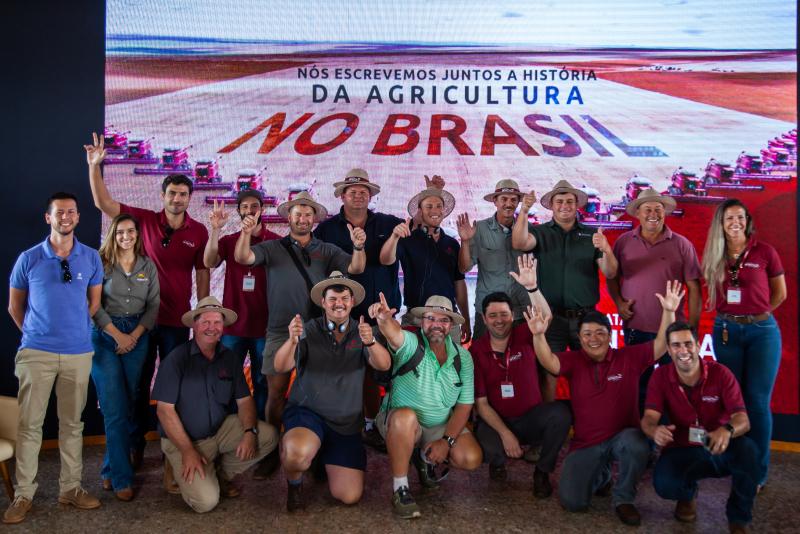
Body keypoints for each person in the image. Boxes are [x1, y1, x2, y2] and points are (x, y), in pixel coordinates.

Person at [85, 133, 210, 472]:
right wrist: (94, 167)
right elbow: (104, 205)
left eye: (183, 194)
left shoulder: (199, 231)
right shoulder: (143, 220)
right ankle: (134, 447)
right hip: (138, 321)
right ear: (163, 195)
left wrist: (200, 310)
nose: (178, 199)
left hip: (174, 321)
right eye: (172, 193)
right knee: (137, 388)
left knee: (171, 389)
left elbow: (201, 271)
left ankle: (171, 449)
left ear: (189, 198)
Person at [527, 281, 684, 526]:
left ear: (610, 335)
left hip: (623, 438)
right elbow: (548, 361)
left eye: (600, 333)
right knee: (573, 503)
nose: (594, 339)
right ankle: (602, 476)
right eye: (587, 334)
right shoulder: (574, 360)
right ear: (579, 338)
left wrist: (669, 311)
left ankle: (624, 500)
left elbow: (661, 346)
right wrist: (538, 335)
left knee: (637, 443)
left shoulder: (628, 357)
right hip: (586, 444)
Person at [4, 192, 104, 524]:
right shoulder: (29, 258)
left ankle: (70, 489)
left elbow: (93, 305)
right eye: (59, 212)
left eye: (71, 212)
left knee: (73, 425)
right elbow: (14, 307)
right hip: (36, 353)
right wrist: (36, 335)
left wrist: (74, 331)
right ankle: (23, 494)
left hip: (78, 353)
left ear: (78, 217)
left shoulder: (90, 258)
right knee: (30, 426)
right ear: (48, 217)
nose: (66, 216)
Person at [234, 191, 365, 429]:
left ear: (314, 219)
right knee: (275, 394)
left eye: (307, 214)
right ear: (289, 218)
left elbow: (356, 268)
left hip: (317, 332)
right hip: (280, 331)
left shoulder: (327, 250)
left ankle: (315, 441)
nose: (303, 218)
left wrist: (358, 246)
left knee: (318, 393)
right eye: (298, 214)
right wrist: (245, 233)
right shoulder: (272, 247)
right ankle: (273, 443)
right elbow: (243, 257)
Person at [274, 272, 391, 511]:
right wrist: (292, 341)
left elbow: (383, 364)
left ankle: (321, 457)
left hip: (345, 423)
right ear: (323, 302)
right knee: (296, 453)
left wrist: (370, 343)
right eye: (333, 298)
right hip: (308, 413)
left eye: (345, 298)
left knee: (349, 495)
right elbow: (280, 365)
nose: (339, 303)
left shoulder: (363, 330)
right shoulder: (309, 328)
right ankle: (295, 483)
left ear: (352, 301)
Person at [151, 297, 279, 513]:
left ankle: (219, 473)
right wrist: (188, 451)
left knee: (268, 436)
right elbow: (164, 411)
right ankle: (176, 465)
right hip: (184, 441)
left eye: (217, 323)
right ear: (194, 325)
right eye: (206, 322)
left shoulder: (229, 358)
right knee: (206, 503)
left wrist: (249, 431)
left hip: (219, 432)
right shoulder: (176, 360)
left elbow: (245, 400)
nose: (212, 328)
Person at [372, 293, 482, 519]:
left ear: (451, 325)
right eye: (431, 318)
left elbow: (464, 405)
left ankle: (423, 459)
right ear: (422, 322)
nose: (437, 325)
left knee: (470, 457)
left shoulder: (463, 357)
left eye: (443, 320)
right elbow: (394, 334)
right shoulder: (412, 344)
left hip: (438, 426)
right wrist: (384, 320)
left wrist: (446, 441)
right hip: (400, 423)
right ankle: (400, 488)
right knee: (405, 418)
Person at [701, 199, 786, 489]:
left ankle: (756, 473)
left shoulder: (765, 252)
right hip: (726, 332)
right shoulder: (715, 254)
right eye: (728, 219)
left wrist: (756, 315)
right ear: (721, 225)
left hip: (762, 332)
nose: (735, 222)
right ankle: (733, 463)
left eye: (740, 217)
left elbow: (780, 294)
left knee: (758, 403)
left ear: (747, 220)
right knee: (731, 403)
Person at [642, 321, 757, 534]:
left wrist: (727, 430)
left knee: (749, 451)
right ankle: (687, 495)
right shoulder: (660, 376)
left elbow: (743, 419)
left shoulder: (721, 373)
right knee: (664, 484)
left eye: (688, 344)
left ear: (698, 346)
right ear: (668, 349)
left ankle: (738, 518)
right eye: (676, 345)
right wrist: (653, 430)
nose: (683, 350)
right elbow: (648, 418)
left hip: (717, 444)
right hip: (682, 446)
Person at [470, 254, 571, 496]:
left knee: (561, 414)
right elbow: (481, 405)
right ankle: (497, 463)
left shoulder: (524, 334)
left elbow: (545, 317)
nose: (498, 320)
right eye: (492, 316)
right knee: (488, 446)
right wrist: (505, 434)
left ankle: (542, 472)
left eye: (504, 314)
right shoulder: (476, 351)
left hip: (529, 418)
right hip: (496, 422)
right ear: (484, 319)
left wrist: (532, 288)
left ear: (512, 315)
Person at [607, 188, 702, 408]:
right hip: (635, 328)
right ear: (637, 213)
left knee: (676, 385)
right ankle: (640, 434)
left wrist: (693, 326)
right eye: (647, 209)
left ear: (665, 213)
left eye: (658, 209)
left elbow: (694, 288)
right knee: (638, 384)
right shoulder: (623, 242)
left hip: (673, 330)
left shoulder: (681, 244)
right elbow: (612, 276)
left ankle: (675, 434)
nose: (653, 214)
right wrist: (619, 303)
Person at [91, 214, 160, 501]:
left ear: (137, 234)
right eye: (120, 232)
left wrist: (134, 335)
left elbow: (154, 305)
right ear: (113, 234)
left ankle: (109, 467)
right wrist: (117, 335)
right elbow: (93, 305)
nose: (126, 237)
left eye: (130, 231)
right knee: (114, 407)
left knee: (129, 401)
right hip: (105, 336)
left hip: (138, 336)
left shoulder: (148, 266)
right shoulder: (100, 263)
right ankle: (121, 478)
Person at [511, 180, 617, 352]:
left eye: (569, 201)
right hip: (550, 318)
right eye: (559, 202)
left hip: (587, 319)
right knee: (549, 371)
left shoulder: (592, 235)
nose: (564, 206)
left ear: (576, 205)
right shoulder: (540, 232)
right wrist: (524, 210)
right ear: (552, 206)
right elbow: (518, 242)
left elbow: (610, 272)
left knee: (589, 372)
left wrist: (607, 250)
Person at [203, 192, 279, 424]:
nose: (249, 210)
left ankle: (260, 430)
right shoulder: (229, 240)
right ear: (239, 211)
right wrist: (215, 229)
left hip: (264, 327)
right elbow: (208, 262)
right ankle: (231, 429)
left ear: (262, 210)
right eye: (244, 207)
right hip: (233, 327)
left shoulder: (275, 242)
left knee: (262, 381)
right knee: (227, 381)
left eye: (254, 206)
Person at [380, 185, 471, 342]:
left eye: (438, 206)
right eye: (429, 206)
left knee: (450, 365)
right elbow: (385, 259)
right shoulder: (407, 239)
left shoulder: (452, 243)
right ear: (420, 211)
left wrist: (467, 320)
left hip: (448, 319)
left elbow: (459, 281)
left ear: (444, 211)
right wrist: (394, 237)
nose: (434, 210)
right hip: (416, 319)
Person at [457, 179, 534, 340]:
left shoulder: (529, 231)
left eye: (513, 200)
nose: (508, 204)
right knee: (482, 361)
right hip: (488, 314)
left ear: (519, 202)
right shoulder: (480, 229)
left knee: (521, 361)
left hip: (521, 313)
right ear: (495, 201)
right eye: (504, 199)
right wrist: (465, 241)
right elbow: (464, 268)